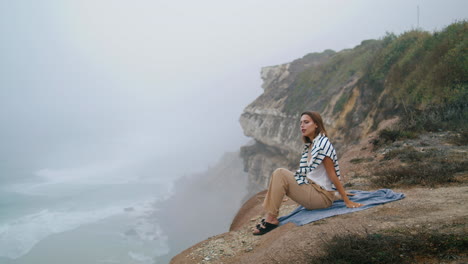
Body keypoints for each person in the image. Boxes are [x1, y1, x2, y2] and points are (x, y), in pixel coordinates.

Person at [252, 111, 364, 235]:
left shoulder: (323, 144)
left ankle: (271, 219)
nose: (302, 126)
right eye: (300, 123)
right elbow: (310, 174)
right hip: (313, 189)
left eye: (306, 122)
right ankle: (270, 215)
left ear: (316, 124)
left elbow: (332, 174)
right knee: (279, 174)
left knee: (280, 173)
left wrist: (345, 199)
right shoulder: (311, 145)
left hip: (321, 198)